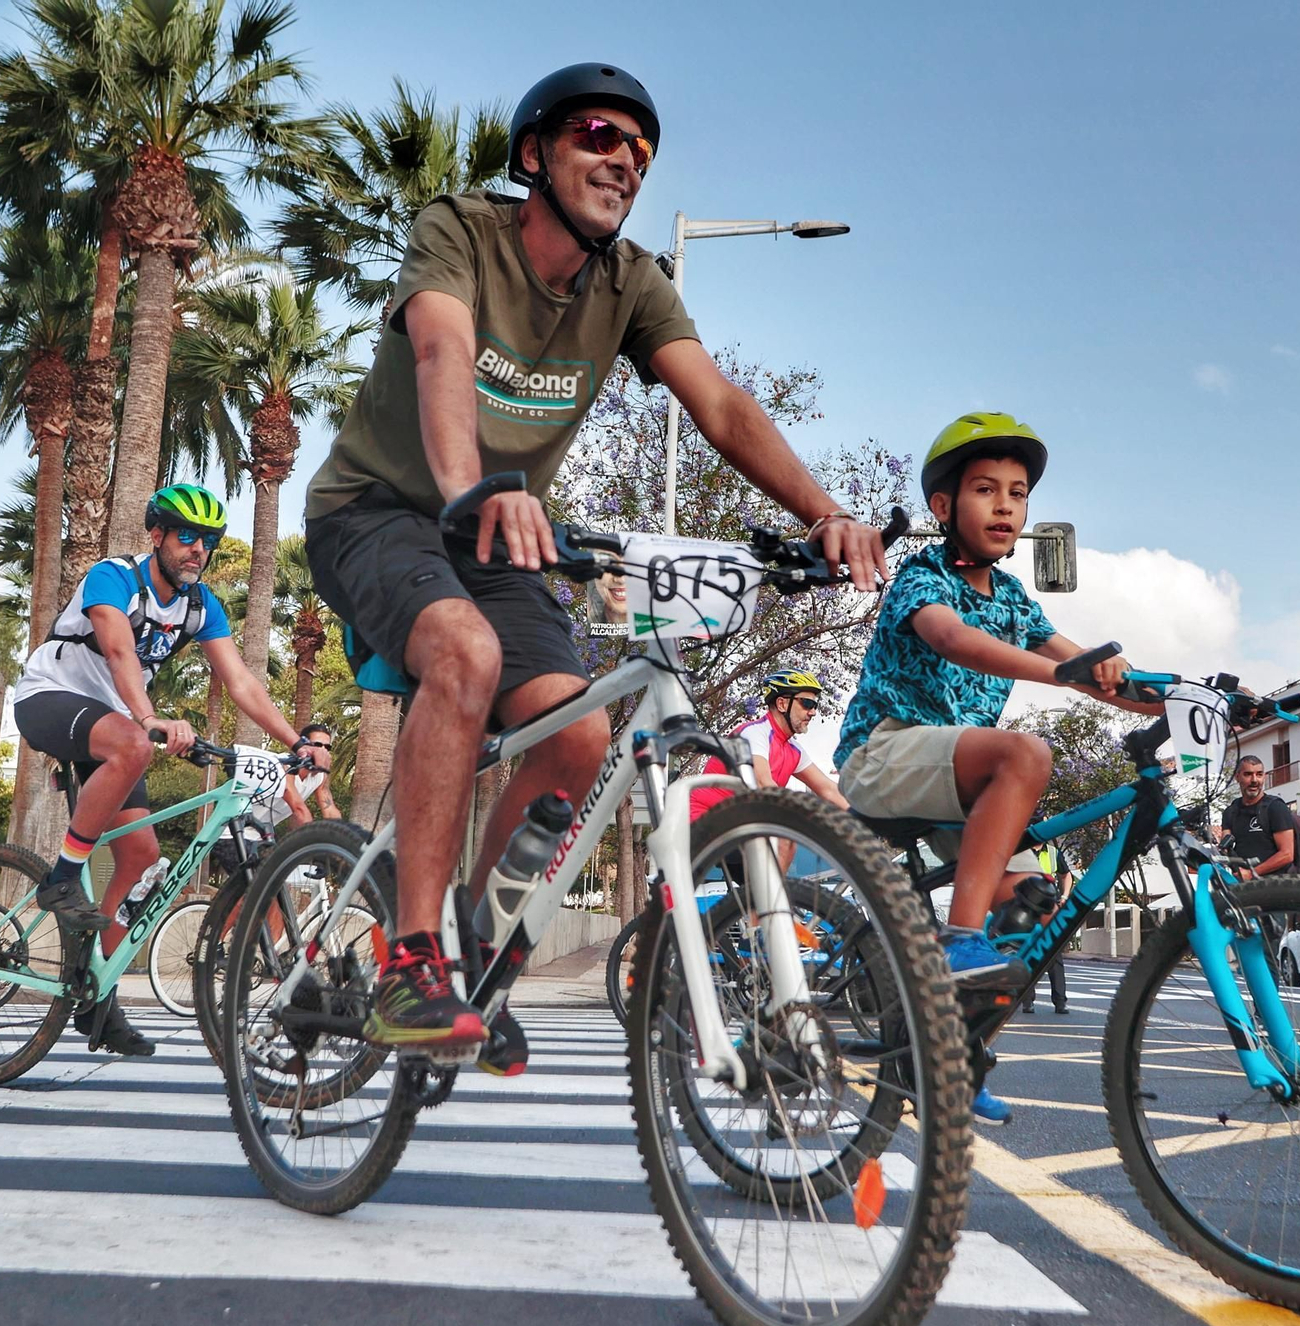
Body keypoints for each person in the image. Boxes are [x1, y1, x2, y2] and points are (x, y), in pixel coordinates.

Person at [303, 63, 886, 1075]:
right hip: (380, 511)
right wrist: (469, 487)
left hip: (492, 531)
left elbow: (720, 406)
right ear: (533, 152)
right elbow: (442, 350)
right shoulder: (460, 230)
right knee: (463, 650)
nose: (621, 161)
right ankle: (408, 956)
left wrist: (823, 513)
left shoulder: (631, 284)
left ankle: (477, 943)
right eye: (598, 136)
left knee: (575, 732)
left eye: (639, 152)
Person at [834, 412, 1155, 1124]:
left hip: (954, 776)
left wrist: (1202, 699)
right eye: (986, 489)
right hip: (884, 751)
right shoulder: (921, 578)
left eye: (1018, 492)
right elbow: (955, 641)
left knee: (1033, 910)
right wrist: (1060, 671)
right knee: (1024, 753)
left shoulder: (1011, 598)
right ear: (945, 508)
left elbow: (1099, 676)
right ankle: (956, 941)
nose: (1006, 504)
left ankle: (949, 1056)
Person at [12, 483, 302, 1057]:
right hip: (51, 697)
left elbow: (240, 682)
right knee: (134, 746)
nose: (197, 550)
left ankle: (97, 994)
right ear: (158, 536)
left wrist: (299, 741)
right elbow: (120, 652)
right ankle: (62, 879)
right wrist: (148, 718)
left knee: (143, 856)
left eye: (208, 542)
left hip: (116, 724)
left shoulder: (200, 605)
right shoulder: (113, 576)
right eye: (187, 537)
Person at [688, 669, 848, 868]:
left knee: (783, 848)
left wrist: (863, 819)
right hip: (704, 821)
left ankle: (767, 898)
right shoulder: (754, 733)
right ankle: (771, 898)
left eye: (815, 705)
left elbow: (828, 789)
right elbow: (765, 785)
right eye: (807, 703)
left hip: (737, 826)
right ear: (782, 703)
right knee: (782, 839)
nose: (813, 712)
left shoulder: (793, 749)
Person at [1220, 755, 1294, 880]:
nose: (1254, 780)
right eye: (1248, 774)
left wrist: (1251, 873)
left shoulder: (1275, 808)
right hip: (1245, 887)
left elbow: (1287, 854)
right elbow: (1225, 849)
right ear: (1237, 777)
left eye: (1259, 774)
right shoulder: (1231, 812)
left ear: (1264, 777)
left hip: (1276, 885)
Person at [1021, 843, 1070, 1015]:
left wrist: (1064, 896)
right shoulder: (1021, 849)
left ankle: (1060, 1002)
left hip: (1049, 907)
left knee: (1054, 955)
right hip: (1025, 907)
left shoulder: (1052, 852)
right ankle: (1027, 1001)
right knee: (1029, 952)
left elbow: (1066, 875)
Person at [269, 724, 340, 827]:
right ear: (303, 745)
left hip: (260, 834)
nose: (323, 751)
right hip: (239, 830)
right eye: (317, 745)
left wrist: (347, 835)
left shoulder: (320, 777)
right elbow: (300, 811)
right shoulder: (285, 767)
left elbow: (330, 812)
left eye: (327, 747)